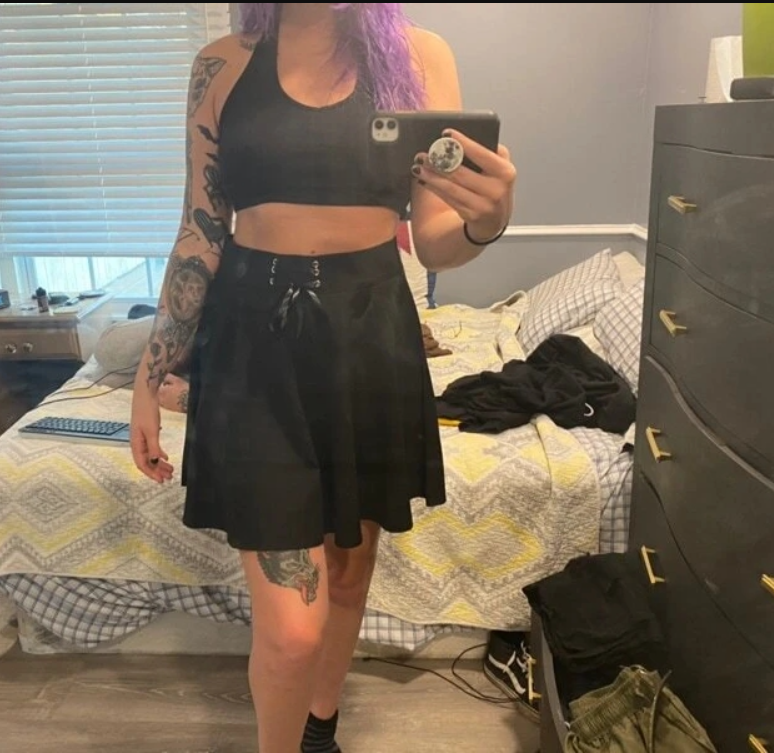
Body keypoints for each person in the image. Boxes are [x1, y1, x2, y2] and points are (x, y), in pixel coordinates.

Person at [129, 4, 516, 752]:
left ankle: (320, 730)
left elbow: (435, 241)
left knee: (345, 573)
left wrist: (487, 219)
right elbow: (200, 230)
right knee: (291, 631)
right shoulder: (222, 65)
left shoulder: (419, 58)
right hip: (252, 347)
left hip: (370, 338)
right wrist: (151, 377)